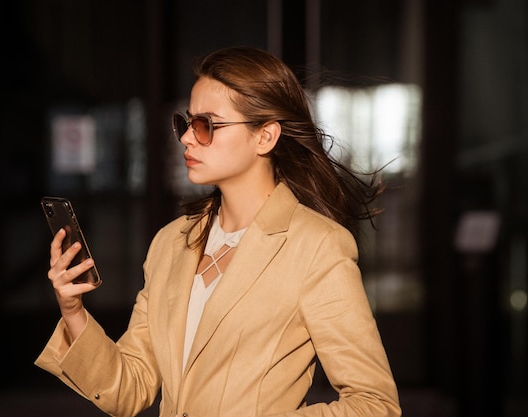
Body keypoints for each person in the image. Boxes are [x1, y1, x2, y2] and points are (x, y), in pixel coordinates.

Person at [35, 46, 401, 417]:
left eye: (207, 125)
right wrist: (73, 310)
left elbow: (374, 404)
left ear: (265, 137)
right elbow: (130, 389)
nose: (187, 139)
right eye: (187, 123)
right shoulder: (171, 243)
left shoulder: (317, 246)